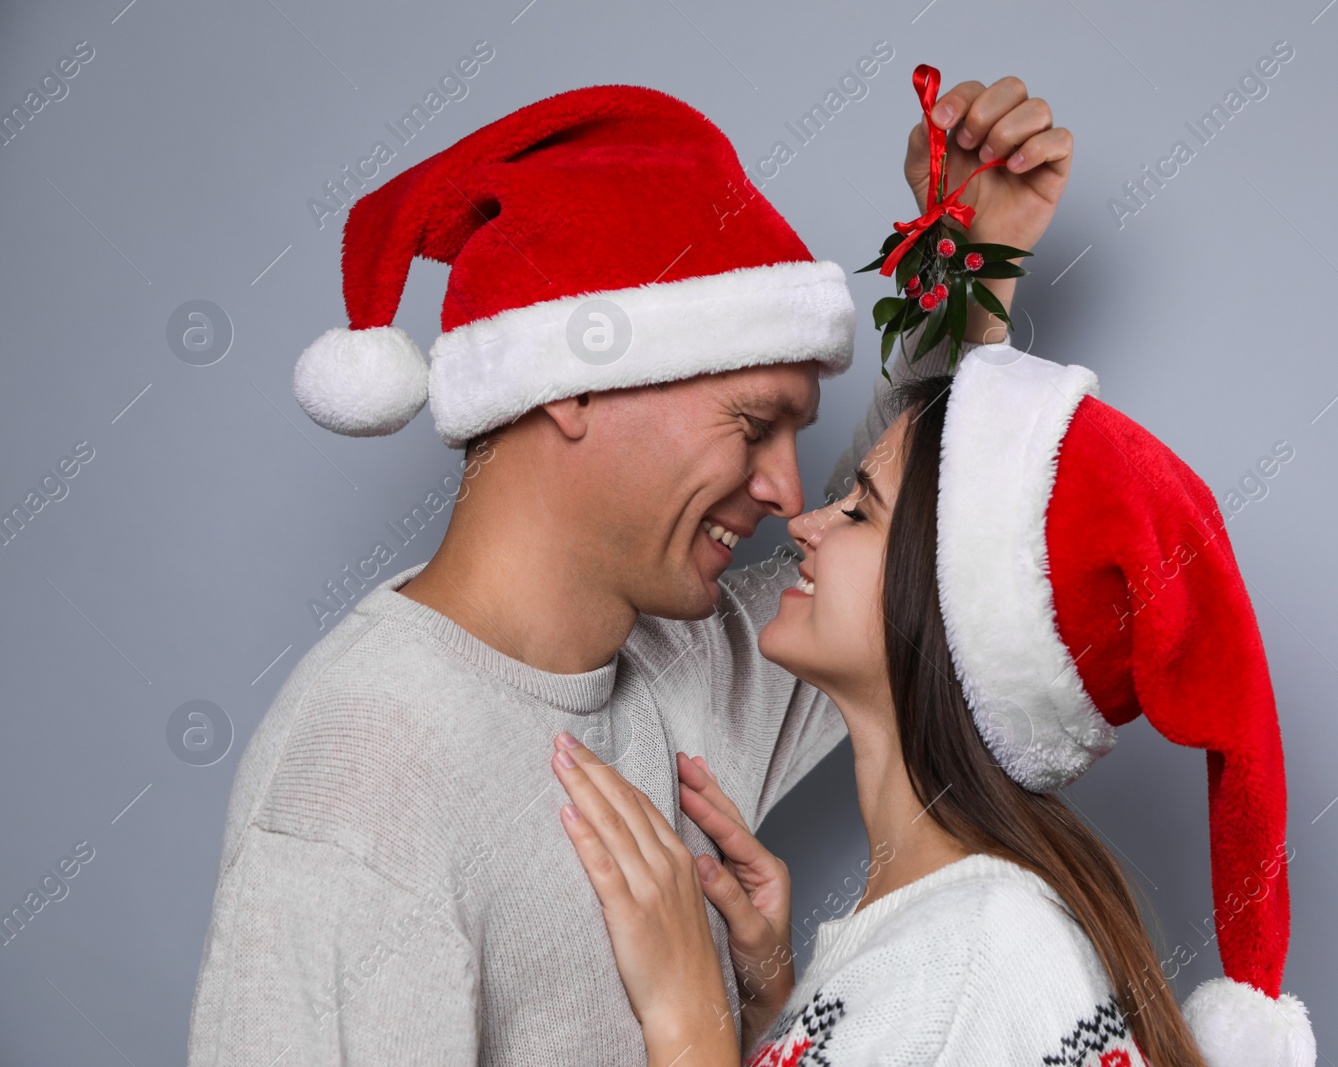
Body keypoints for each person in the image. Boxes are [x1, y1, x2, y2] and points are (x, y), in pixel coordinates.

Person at [186, 71, 1074, 1066]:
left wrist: (967, 265)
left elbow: (899, 565)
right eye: (753, 423)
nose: (789, 492)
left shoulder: (676, 667)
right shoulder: (360, 785)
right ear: (572, 382)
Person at [549, 351, 1319, 1065]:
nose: (806, 523)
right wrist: (775, 1010)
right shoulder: (945, 938)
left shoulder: (991, 950)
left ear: (953, 609)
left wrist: (687, 1020)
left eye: (859, 512)